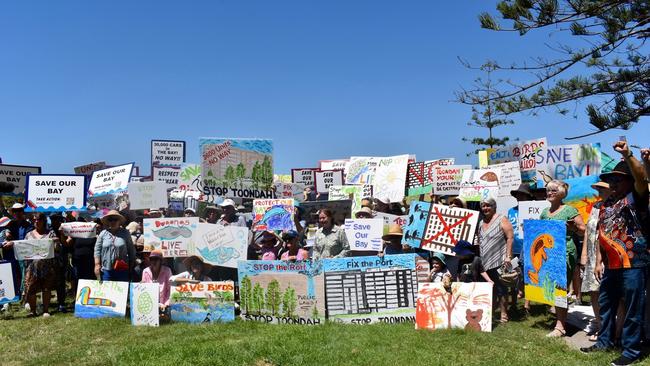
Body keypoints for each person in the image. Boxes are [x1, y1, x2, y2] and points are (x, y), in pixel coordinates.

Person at [581, 141, 649, 366]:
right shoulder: (607, 203)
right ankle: (605, 342)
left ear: (629, 181)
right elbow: (603, 233)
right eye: (610, 179)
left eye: (617, 179)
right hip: (610, 265)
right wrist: (599, 261)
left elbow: (642, 178)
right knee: (606, 305)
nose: (612, 182)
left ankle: (630, 351)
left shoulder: (635, 197)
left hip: (633, 263)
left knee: (632, 308)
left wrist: (628, 154)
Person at [540, 179, 585, 338]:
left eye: (553, 190)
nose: (550, 193)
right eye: (548, 190)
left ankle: (560, 326)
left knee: (560, 288)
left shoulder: (570, 210)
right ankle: (560, 318)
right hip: (549, 254)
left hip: (565, 252)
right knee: (552, 287)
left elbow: (582, 231)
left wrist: (573, 227)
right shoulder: (545, 212)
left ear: (562, 193)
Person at [580, 181, 611, 341]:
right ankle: (600, 324)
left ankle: (608, 327)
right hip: (592, 255)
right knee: (593, 291)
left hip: (607, 256)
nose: (599, 191)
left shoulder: (615, 205)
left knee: (606, 293)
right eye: (598, 188)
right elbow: (587, 231)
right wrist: (584, 253)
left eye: (603, 188)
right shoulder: (596, 206)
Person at [477, 197, 514, 324]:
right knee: (489, 288)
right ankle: (490, 312)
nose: (486, 208)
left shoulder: (501, 219)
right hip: (485, 260)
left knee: (501, 288)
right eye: (483, 206)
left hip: (500, 260)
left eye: (488, 206)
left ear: (494, 207)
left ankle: (504, 313)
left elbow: (510, 238)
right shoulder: (481, 222)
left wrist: (508, 256)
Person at [22, 213, 59, 317]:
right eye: (34, 220)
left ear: (44, 221)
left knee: (46, 288)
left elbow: (57, 249)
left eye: (38, 220)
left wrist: (56, 242)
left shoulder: (50, 233)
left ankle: (46, 310)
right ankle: (33, 311)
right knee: (30, 288)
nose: (36, 222)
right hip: (32, 266)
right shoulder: (29, 235)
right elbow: (23, 248)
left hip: (47, 265)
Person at [1, 203, 34, 301]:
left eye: (19, 210)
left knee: (25, 275)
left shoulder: (29, 225)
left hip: (24, 254)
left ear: (22, 212)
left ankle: (25, 297)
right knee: (12, 275)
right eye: (15, 211)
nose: (17, 213)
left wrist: (13, 243)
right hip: (10, 255)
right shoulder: (9, 224)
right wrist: (6, 234)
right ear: (13, 213)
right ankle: (13, 296)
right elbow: (3, 236)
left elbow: (28, 241)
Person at [94, 210, 136, 282]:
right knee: (107, 291)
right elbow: (97, 250)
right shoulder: (103, 234)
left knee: (121, 292)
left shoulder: (125, 233)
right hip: (106, 270)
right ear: (108, 222)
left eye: (115, 219)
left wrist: (131, 267)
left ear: (119, 221)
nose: (113, 222)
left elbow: (131, 250)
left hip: (122, 269)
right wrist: (97, 264)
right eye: (110, 220)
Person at [71, 218, 102, 294]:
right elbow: (68, 242)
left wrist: (97, 230)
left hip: (90, 261)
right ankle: (79, 298)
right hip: (77, 261)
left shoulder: (95, 234)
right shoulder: (76, 233)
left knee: (90, 279)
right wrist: (62, 233)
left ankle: (91, 296)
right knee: (78, 279)